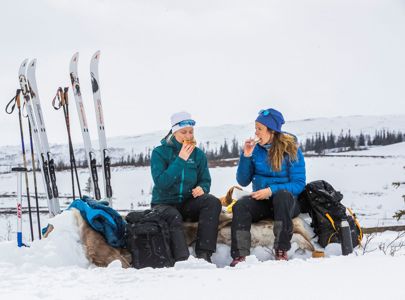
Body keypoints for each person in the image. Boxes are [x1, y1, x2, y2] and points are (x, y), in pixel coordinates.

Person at [230, 108, 306, 266]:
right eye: (255, 128)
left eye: (260, 129)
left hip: (287, 203)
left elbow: (298, 184)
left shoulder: (291, 150)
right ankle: (240, 255)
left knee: (282, 196)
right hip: (263, 202)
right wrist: (246, 156)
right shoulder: (255, 150)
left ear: (272, 131)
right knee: (241, 206)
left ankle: (281, 249)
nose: (256, 133)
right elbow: (243, 181)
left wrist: (271, 190)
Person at [150, 111, 221, 263]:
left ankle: (204, 254)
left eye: (191, 132)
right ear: (174, 132)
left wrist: (203, 188)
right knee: (173, 215)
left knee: (212, 202)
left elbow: (205, 180)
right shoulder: (159, 153)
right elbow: (162, 182)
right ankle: (182, 259)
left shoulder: (198, 154)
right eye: (184, 132)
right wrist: (181, 159)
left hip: (188, 202)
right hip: (163, 203)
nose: (188, 136)